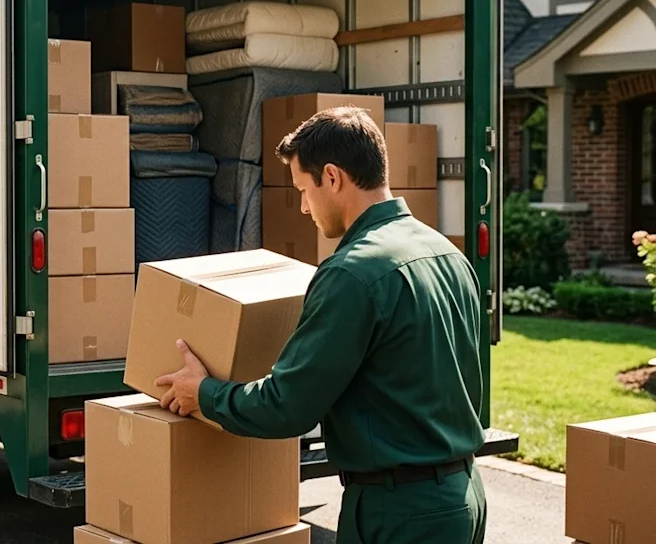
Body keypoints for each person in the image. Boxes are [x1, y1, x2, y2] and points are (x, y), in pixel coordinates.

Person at [155, 106, 487, 544]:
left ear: (332, 177)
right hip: (463, 495)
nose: (302, 206)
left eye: (303, 189)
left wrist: (203, 393)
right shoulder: (447, 254)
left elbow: (287, 405)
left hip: (401, 512)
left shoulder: (352, 272)